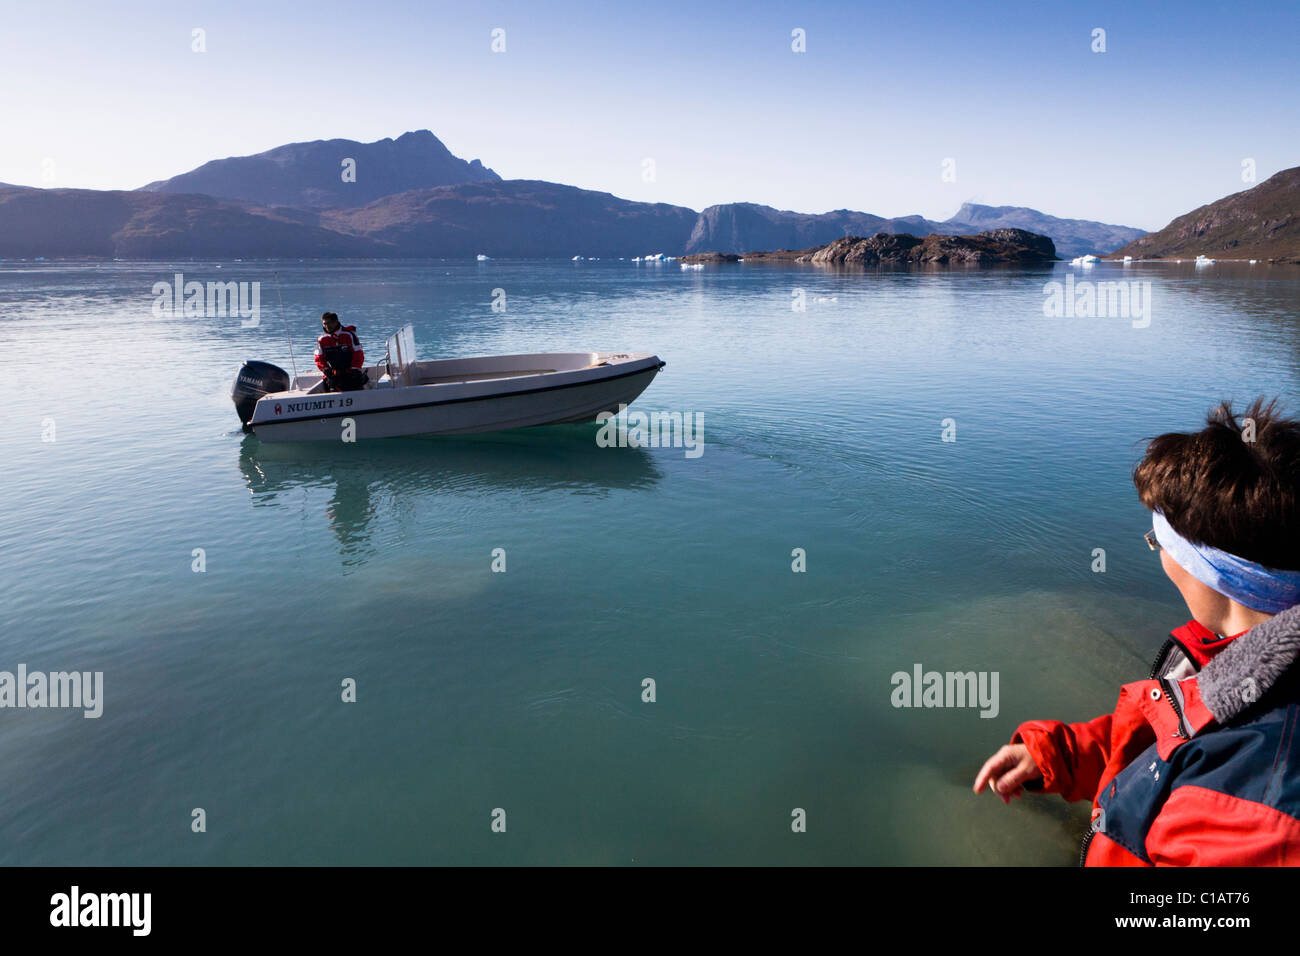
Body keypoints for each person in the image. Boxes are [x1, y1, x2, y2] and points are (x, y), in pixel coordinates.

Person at [974, 398, 1300, 865]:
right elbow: (1174, 749)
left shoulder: (1255, 821)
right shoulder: (1238, 659)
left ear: (1209, 572)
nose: (1159, 556)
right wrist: (1060, 756)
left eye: (1159, 543)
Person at [315, 311, 368, 391]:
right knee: (330, 384)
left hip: (350, 372)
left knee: (355, 383)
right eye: (324, 324)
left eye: (329, 323)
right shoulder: (322, 339)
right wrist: (326, 371)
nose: (327, 326)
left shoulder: (349, 335)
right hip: (334, 374)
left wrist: (355, 369)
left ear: (336, 322)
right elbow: (319, 359)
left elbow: (358, 354)